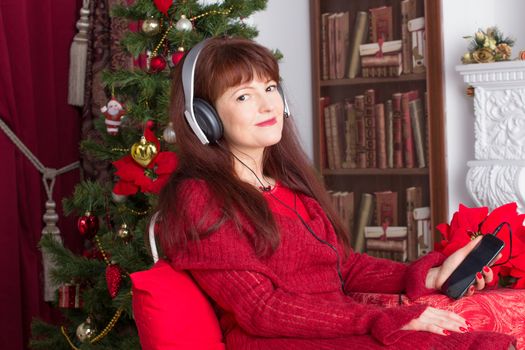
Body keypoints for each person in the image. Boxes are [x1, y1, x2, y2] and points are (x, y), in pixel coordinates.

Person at [156, 36, 516, 349]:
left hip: (338, 329)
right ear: (204, 118)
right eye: (243, 96)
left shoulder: (287, 187)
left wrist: (430, 275)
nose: (268, 106)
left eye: (269, 89)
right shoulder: (200, 198)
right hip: (276, 342)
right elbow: (260, 310)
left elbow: (345, 267)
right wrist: (377, 320)